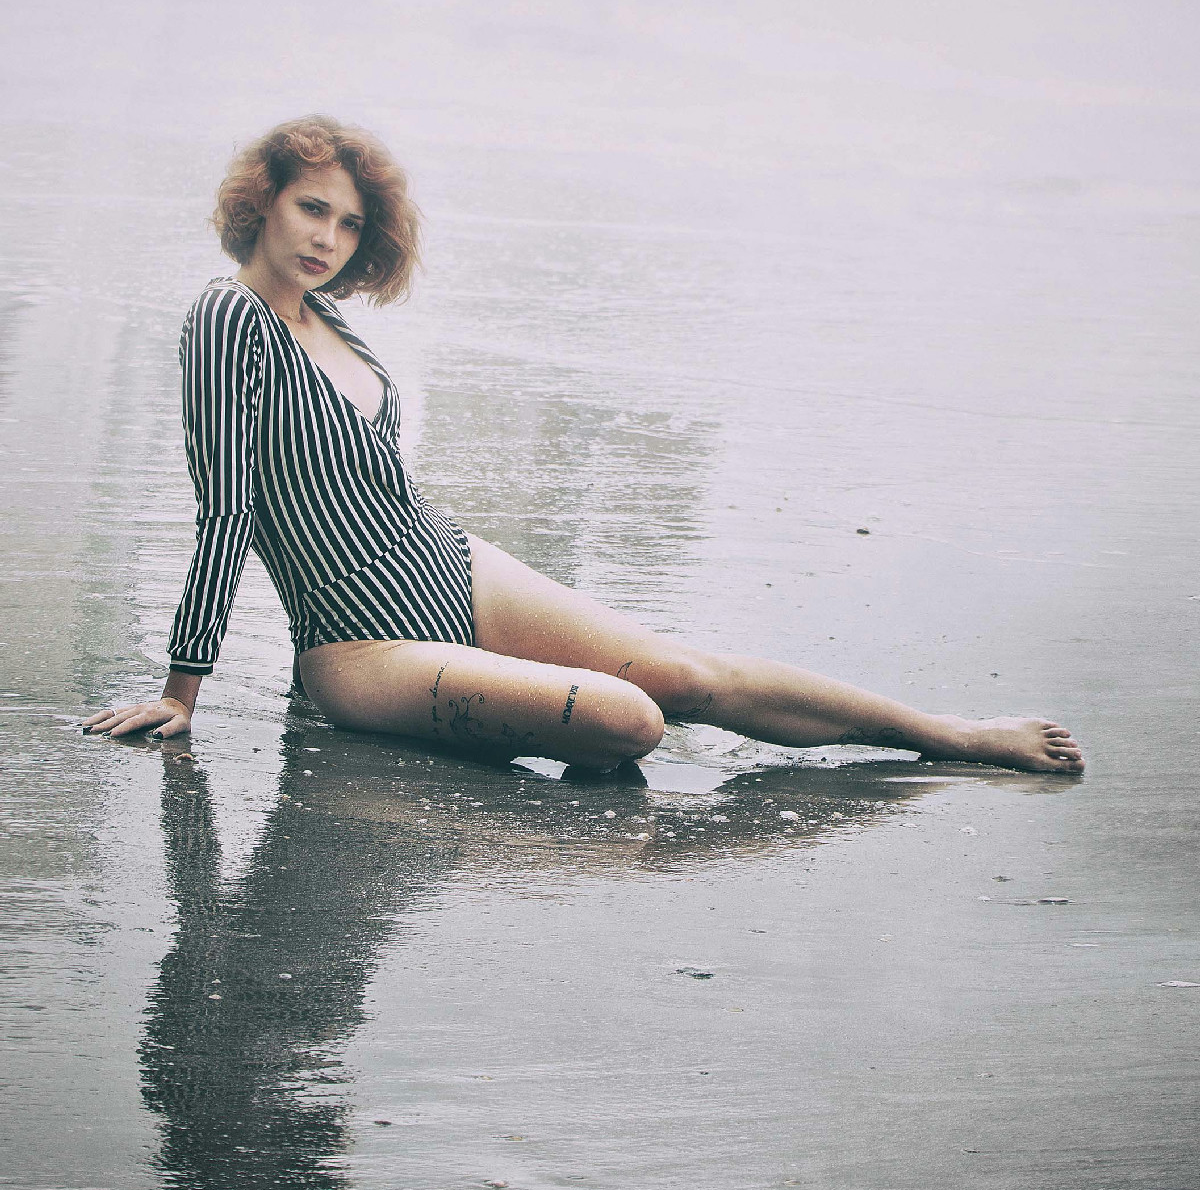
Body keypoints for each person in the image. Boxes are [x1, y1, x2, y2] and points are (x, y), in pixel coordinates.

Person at [84, 117, 1084, 776]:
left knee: (686, 675)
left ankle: (951, 732)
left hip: (448, 563)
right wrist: (181, 691)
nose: (327, 239)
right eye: (312, 208)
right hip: (359, 640)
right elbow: (230, 507)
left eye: (348, 224)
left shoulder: (328, 319)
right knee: (632, 719)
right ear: (261, 200)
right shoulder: (228, 317)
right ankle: (514, 706)